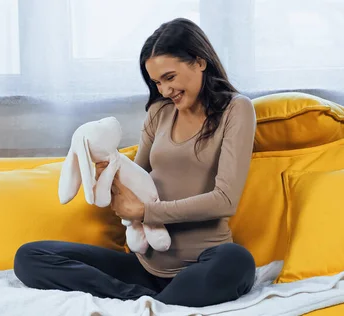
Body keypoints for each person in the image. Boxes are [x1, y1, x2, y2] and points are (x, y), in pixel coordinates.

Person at [14, 17, 257, 307]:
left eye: (170, 77)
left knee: (238, 261)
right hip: (145, 268)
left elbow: (225, 200)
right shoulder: (159, 113)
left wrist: (146, 212)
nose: (165, 90)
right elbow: (137, 176)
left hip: (205, 262)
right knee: (29, 257)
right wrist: (111, 176)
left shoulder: (236, 110)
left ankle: (156, 304)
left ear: (199, 62)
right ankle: (144, 302)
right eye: (156, 82)